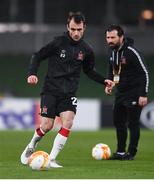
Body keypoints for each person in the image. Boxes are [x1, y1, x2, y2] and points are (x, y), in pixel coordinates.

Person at [20, 12, 114, 168]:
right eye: (73, 29)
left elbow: (89, 71)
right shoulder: (58, 43)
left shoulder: (87, 50)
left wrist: (104, 81)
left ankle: (51, 159)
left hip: (69, 94)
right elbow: (37, 56)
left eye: (79, 29)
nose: (76, 33)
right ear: (68, 27)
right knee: (47, 126)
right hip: (50, 90)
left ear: (84, 28)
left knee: (68, 122)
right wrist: (32, 73)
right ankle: (31, 145)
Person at [105, 25, 149, 160]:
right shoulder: (112, 52)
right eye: (108, 37)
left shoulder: (131, 52)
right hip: (121, 93)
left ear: (121, 37)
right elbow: (111, 71)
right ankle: (120, 152)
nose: (110, 40)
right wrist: (108, 84)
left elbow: (144, 73)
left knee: (133, 123)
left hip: (134, 93)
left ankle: (131, 153)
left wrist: (143, 94)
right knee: (118, 122)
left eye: (113, 37)